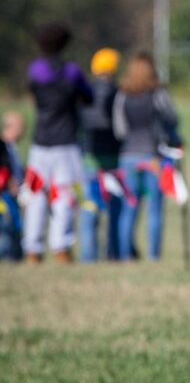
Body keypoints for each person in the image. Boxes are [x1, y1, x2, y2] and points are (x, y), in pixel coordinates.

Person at [24, 22, 93, 264]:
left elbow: (33, 93)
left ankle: (33, 248)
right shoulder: (71, 72)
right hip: (66, 142)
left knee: (35, 195)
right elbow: (88, 97)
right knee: (64, 195)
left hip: (40, 142)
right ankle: (61, 247)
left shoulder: (35, 71)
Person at [113, 52, 179, 261]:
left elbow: (120, 129)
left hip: (128, 156)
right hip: (154, 157)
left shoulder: (122, 94)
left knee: (129, 207)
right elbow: (173, 118)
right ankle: (153, 256)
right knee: (155, 209)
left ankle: (125, 256)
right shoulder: (158, 94)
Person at [79, 48, 122, 262]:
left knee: (90, 204)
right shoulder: (117, 92)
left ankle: (88, 255)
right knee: (115, 207)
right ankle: (113, 252)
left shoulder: (85, 92)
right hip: (113, 156)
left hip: (89, 157)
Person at [0, 112, 25, 261]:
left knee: (15, 230)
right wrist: (10, 185)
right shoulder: (2, 146)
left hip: (14, 196)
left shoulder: (12, 147)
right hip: (4, 197)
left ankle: (15, 259)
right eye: (22, 128)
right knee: (5, 232)